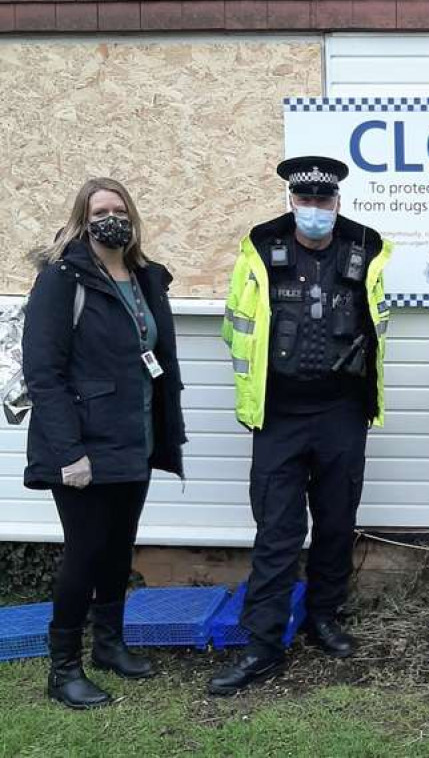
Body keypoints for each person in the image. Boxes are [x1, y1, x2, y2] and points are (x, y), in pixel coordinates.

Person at [209, 156, 392, 695]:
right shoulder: (262, 251)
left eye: (324, 201)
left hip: (341, 411)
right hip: (280, 415)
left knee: (336, 523)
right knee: (277, 532)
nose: (315, 209)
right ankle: (263, 645)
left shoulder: (365, 249)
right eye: (305, 200)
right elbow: (234, 326)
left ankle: (323, 618)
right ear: (291, 201)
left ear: (338, 203)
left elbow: (375, 325)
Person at [22, 177, 186, 709]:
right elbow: (43, 374)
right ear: (82, 218)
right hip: (81, 445)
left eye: (118, 209)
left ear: (132, 217)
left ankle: (109, 646)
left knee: (118, 548)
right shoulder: (62, 279)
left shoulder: (143, 277)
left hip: (131, 437)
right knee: (85, 553)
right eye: (100, 210)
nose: (110, 218)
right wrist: (70, 452)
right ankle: (63, 667)